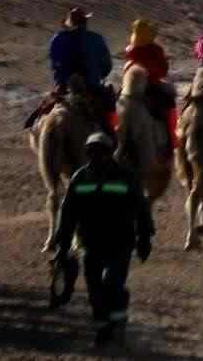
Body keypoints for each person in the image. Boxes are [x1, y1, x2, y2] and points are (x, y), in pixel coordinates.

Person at [50, 132, 153, 347]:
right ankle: (103, 329)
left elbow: (142, 209)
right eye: (91, 152)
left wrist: (144, 238)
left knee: (111, 283)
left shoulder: (126, 176)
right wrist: (62, 246)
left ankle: (118, 322)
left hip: (120, 243)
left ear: (110, 152)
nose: (96, 156)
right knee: (94, 290)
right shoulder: (80, 177)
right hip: (90, 244)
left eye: (101, 151)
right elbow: (68, 214)